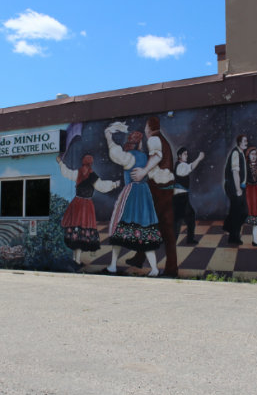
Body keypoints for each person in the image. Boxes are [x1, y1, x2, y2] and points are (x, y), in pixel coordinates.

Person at [104, 125, 162, 276]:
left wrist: (109, 137)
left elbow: (115, 153)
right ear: (139, 142)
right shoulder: (145, 158)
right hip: (144, 194)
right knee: (146, 230)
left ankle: (112, 265)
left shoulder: (129, 157)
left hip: (131, 194)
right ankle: (154, 268)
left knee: (119, 229)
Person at [127, 116, 178, 276]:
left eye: (145, 126)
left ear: (149, 127)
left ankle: (164, 266)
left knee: (149, 224)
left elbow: (157, 157)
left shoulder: (154, 139)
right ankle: (146, 259)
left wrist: (143, 171)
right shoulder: (163, 141)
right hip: (167, 188)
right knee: (164, 228)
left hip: (158, 189)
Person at [57, 154, 120, 267]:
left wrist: (60, 163)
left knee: (75, 229)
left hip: (77, 203)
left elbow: (66, 173)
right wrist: (115, 184)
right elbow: (102, 186)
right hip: (85, 205)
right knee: (82, 230)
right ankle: (77, 260)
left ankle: (75, 259)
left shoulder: (78, 173)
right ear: (91, 163)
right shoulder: (92, 176)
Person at [173, 147, 205, 244]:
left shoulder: (181, 165)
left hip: (182, 196)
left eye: (187, 154)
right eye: (185, 154)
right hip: (180, 197)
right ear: (179, 156)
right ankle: (175, 241)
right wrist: (199, 158)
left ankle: (187, 240)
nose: (187, 156)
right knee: (179, 220)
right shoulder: (180, 166)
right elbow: (189, 168)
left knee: (185, 218)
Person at [223, 134, 248, 244]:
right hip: (233, 186)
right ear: (239, 143)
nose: (246, 142)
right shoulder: (235, 153)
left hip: (238, 186)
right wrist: (238, 189)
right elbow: (235, 172)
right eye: (244, 141)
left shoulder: (241, 153)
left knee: (240, 212)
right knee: (239, 212)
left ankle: (228, 227)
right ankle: (234, 237)